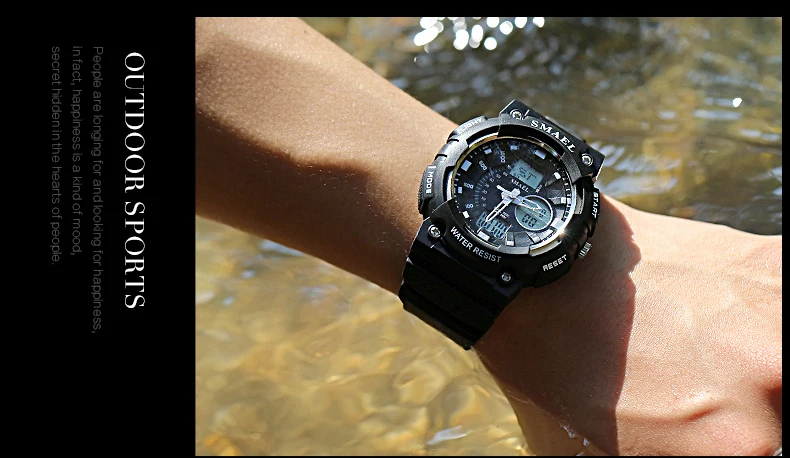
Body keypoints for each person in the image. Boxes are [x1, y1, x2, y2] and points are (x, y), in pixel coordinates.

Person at [195, 17, 782, 456]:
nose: (507, 200)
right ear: (440, 181)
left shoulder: (511, 182)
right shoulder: (455, 182)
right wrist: (582, 303)